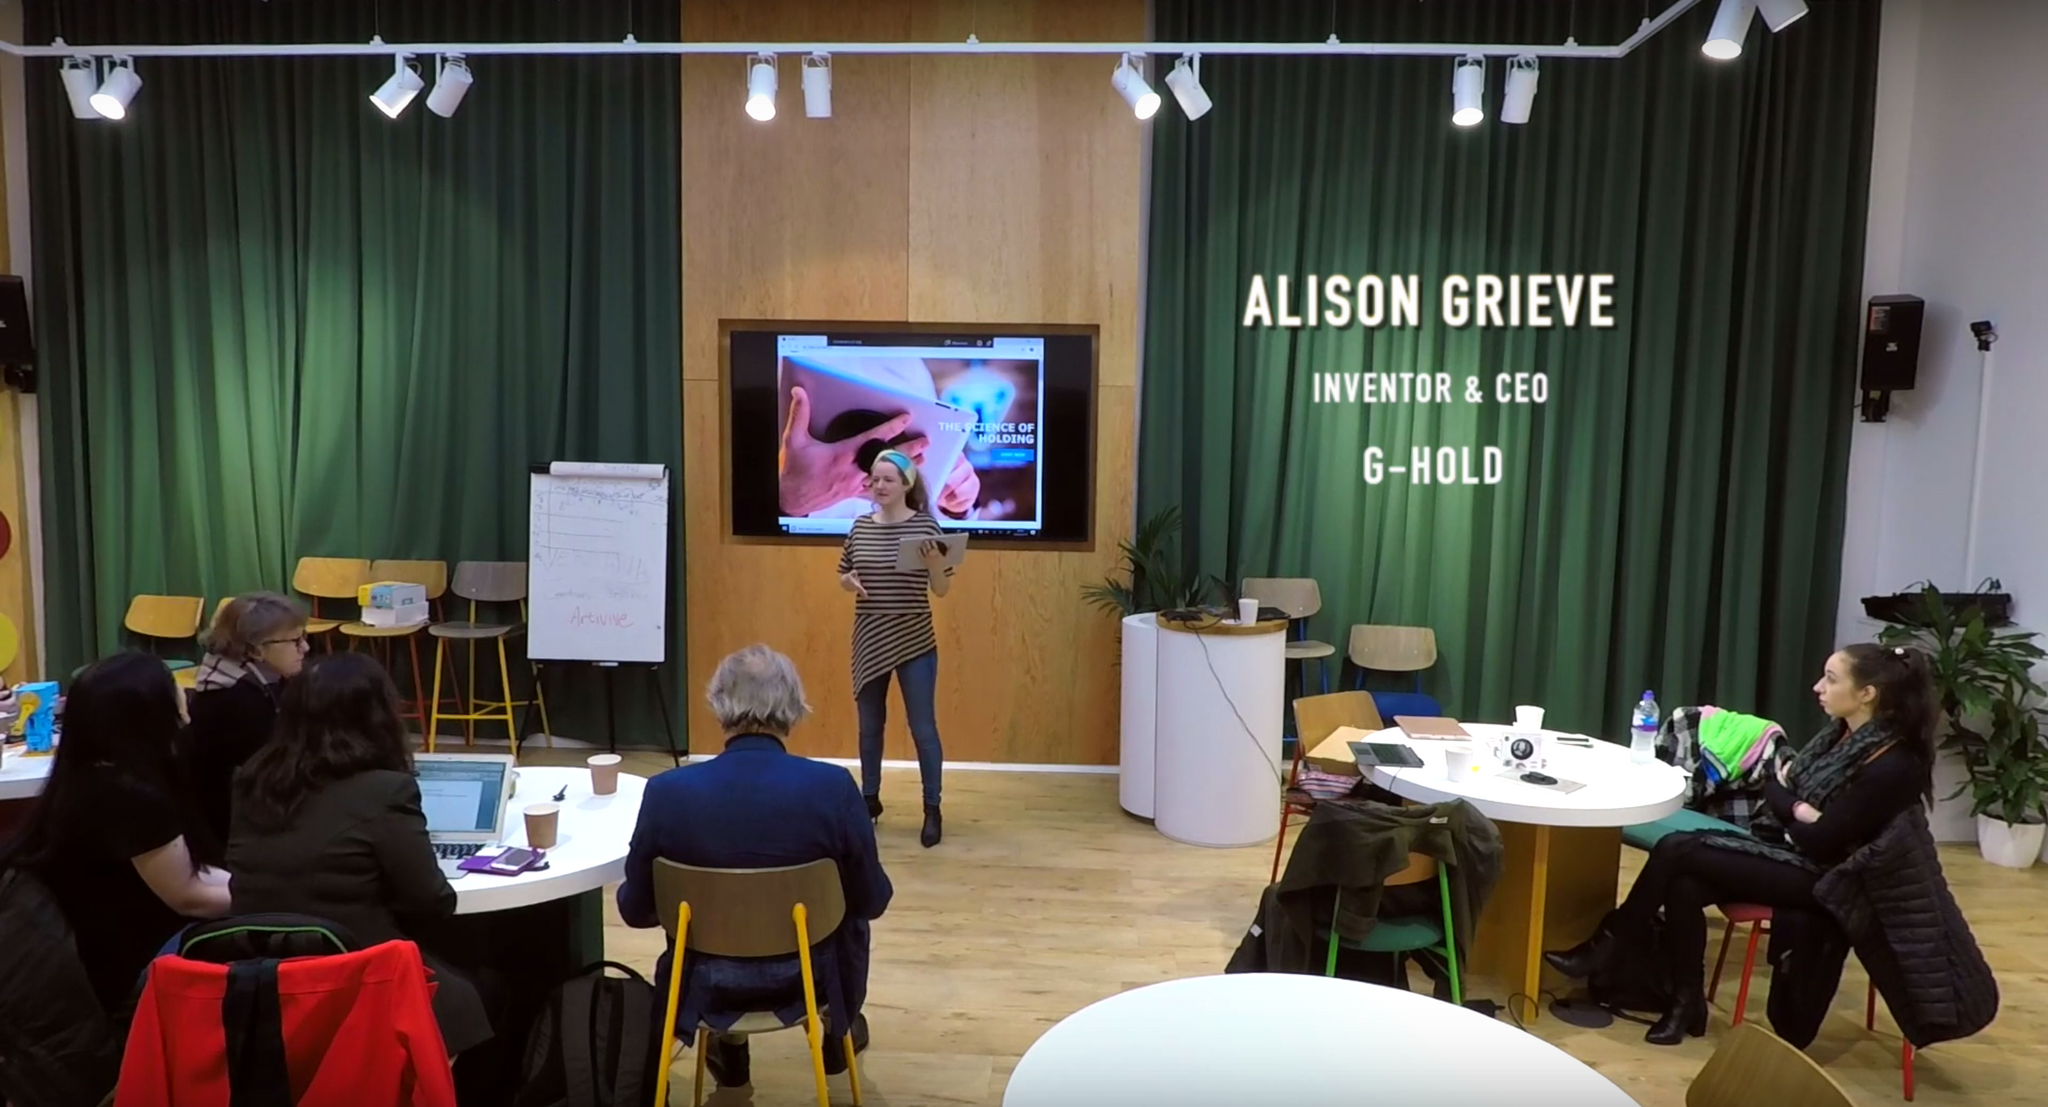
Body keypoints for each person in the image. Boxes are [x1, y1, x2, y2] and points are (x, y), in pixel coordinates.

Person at [1544, 643, 1938, 1044]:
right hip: (1794, 852)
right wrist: (1798, 808)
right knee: (1684, 885)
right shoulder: (1839, 738)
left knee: (1677, 848)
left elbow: (1821, 838)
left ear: (1867, 694)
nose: (1818, 687)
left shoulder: (1894, 763)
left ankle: (1609, 943)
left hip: (1837, 881)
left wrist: (1793, 805)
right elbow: (1777, 787)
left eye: (1832, 680)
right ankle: (1685, 1004)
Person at [616, 644, 892, 1092]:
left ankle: (730, 1046)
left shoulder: (667, 793)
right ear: (791, 707)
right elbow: (872, 901)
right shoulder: (834, 789)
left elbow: (637, 911)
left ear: (719, 705)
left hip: (704, 983)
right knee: (850, 908)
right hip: (808, 979)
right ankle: (837, 1026)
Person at [225, 652, 492, 1058]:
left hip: (265, 979)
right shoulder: (385, 790)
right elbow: (431, 900)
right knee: (486, 989)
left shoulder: (251, 782)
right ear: (379, 715)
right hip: (358, 976)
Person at [0, 651, 232, 1016]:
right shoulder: (129, 797)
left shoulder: (89, 777)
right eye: (173, 689)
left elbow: (191, 874)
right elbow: (190, 897)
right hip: (124, 969)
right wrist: (269, 894)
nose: (184, 698)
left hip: (94, 953)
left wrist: (254, 883)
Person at [836, 444, 955, 847]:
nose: (879, 485)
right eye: (874, 478)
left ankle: (932, 808)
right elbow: (843, 574)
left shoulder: (926, 527)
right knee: (870, 727)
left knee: (923, 728)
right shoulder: (860, 527)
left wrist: (936, 564)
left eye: (888, 479)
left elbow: (941, 590)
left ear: (906, 484)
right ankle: (870, 801)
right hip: (869, 637)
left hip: (914, 639)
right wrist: (849, 582)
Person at [180, 591, 309, 846]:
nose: (304, 648)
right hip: (232, 830)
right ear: (257, 649)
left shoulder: (266, 678)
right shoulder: (232, 699)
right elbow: (278, 771)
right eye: (295, 640)